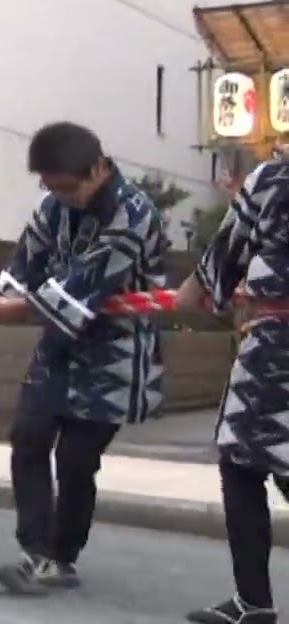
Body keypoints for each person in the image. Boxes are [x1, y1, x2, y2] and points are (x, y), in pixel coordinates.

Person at [0, 122, 167, 595]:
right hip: (59, 347)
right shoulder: (53, 207)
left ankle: (61, 556)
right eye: (51, 187)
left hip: (117, 354)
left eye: (68, 188)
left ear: (97, 169)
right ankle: (33, 552)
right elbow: (24, 264)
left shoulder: (133, 213)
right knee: (28, 438)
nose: (61, 197)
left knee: (76, 459)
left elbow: (82, 285)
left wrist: (10, 310)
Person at [176, 161, 289, 624]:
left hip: (279, 342)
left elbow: (225, 256)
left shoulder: (275, 179)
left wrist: (197, 291)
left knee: (244, 457)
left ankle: (254, 601)